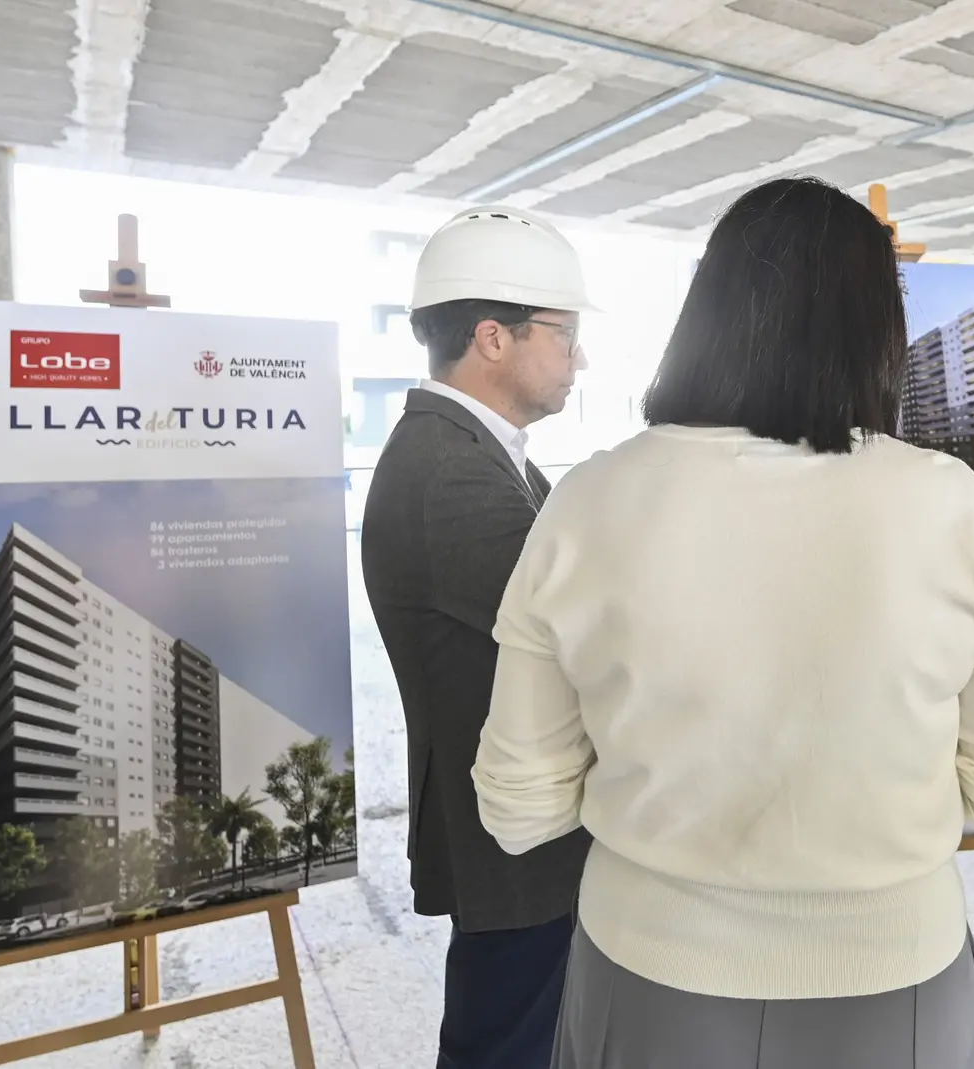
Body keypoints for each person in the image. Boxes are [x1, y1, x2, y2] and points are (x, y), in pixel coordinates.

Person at [469, 176, 974, 1069]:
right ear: (877, 330)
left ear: (705, 308)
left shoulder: (591, 499)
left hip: (648, 970)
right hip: (893, 981)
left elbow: (517, 807)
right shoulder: (944, 504)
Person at [359, 204, 595, 1069]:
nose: (578, 358)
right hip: (514, 847)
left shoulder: (480, 451)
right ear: (493, 338)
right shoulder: (452, 473)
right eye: (564, 335)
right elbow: (580, 632)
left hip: (517, 832)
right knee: (504, 1048)